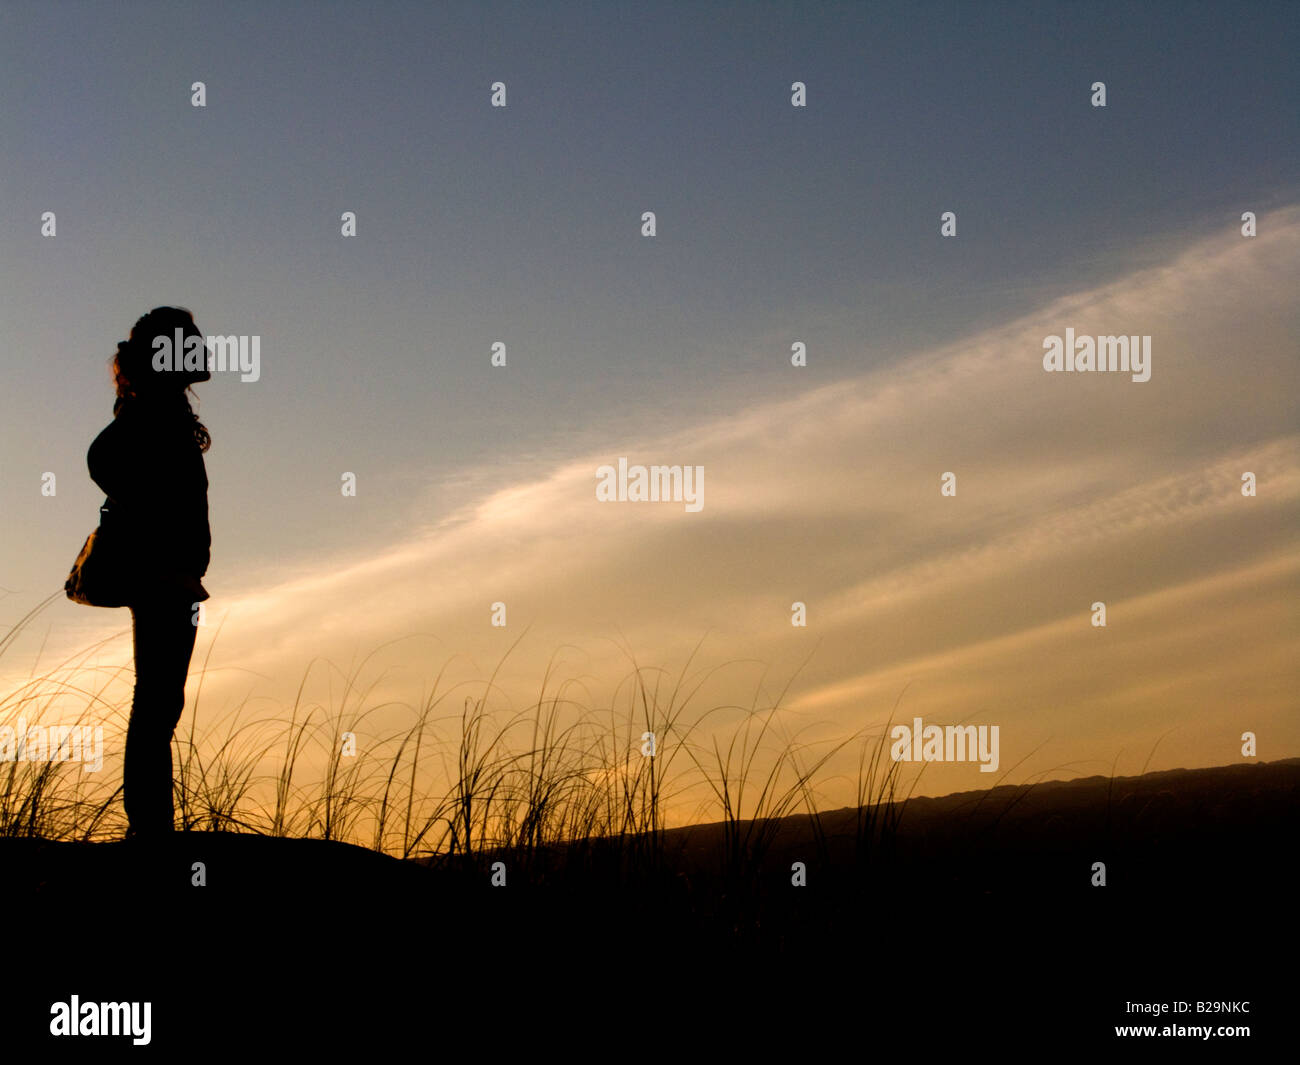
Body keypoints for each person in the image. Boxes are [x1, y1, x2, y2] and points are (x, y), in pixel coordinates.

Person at [88, 307, 212, 837]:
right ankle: (149, 831)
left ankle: (150, 828)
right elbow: (102, 457)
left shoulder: (159, 409)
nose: (203, 349)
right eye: (191, 340)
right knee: (156, 705)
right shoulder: (152, 414)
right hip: (164, 577)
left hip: (174, 576)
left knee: (159, 703)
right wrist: (147, 516)